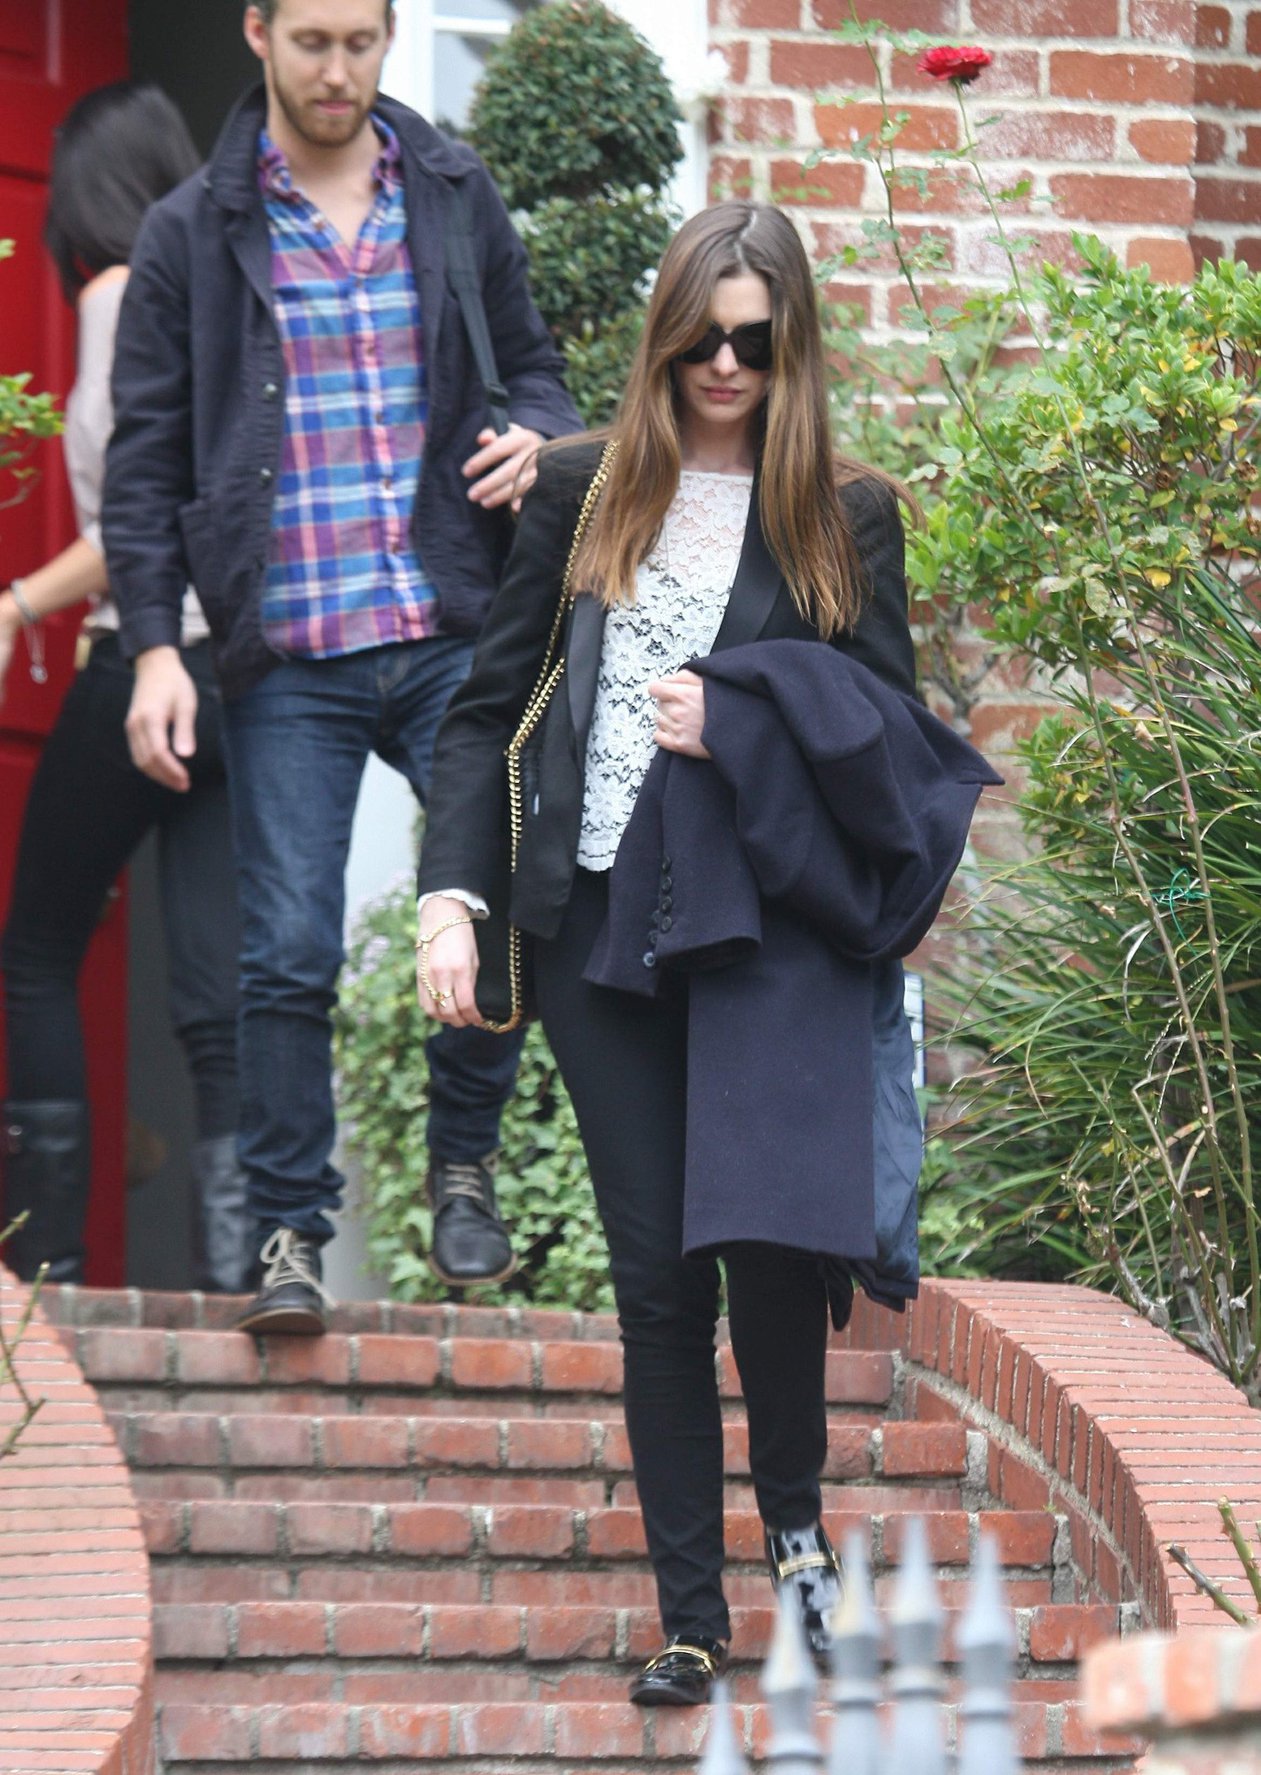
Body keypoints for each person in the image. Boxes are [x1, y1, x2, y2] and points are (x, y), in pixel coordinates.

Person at [414, 201, 1000, 1703]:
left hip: (761, 933)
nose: (726, 365)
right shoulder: (580, 488)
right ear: (663, 332)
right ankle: (691, 1609)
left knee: (765, 1247)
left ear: (789, 344)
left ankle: (796, 1534)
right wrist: (451, 897)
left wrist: (735, 720)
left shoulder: (841, 514)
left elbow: (884, 748)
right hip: (603, 925)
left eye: (755, 339)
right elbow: (485, 710)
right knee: (659, 1277)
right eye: (701, 337)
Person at [102, 0, 581, 1335]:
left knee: (492, 890)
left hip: (445, 621)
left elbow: (534, 370)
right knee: (286, 952)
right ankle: (289, 1236)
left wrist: (537, 441)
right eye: (310, 40)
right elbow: (145, 465)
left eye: (360, 42)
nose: (337, 70)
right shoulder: (190, 233)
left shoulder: (448, 188)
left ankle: (463, 1161)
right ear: (257, 32)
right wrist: (154, 646)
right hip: (289, 646)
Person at [0, 82, 252, 1294]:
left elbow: (131, 516)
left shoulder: (114, 298)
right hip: (238, 675)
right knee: (215, 987)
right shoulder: (223, 299)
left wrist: (15, 602)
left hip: (147, 659)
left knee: (40, 944)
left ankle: (46, 1263)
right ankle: (237, 1269)